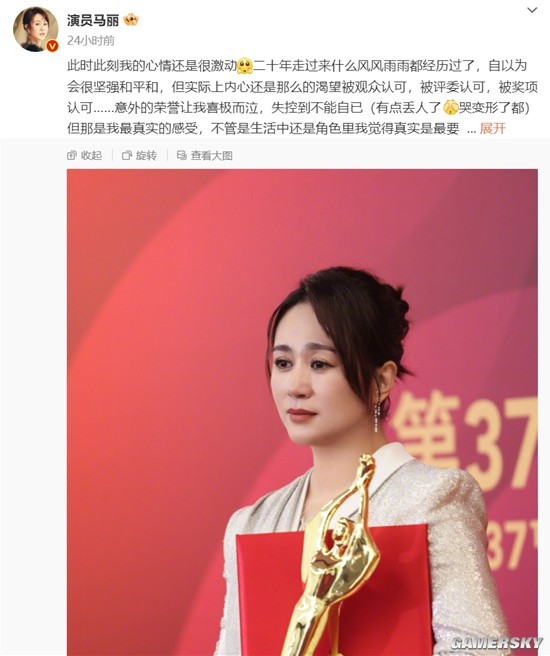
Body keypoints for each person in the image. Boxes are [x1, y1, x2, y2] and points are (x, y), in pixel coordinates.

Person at [216, 266, 509, 655]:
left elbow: (484, 648)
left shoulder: (432, 499)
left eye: (319, 364)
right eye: (283, 363)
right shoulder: (252, 523)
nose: (295, 386)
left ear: (381, 381)